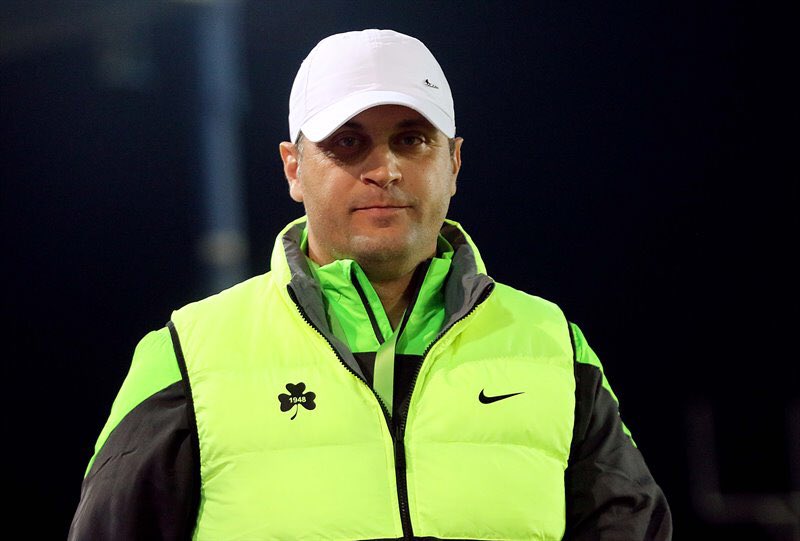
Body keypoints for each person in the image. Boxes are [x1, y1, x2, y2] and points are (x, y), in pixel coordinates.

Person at [69, 29, 672, 540]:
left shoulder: (554, 346)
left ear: (454, 162)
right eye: (348, 142)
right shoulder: (187, 353)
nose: (385, 170)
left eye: (412, 139)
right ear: (293, 168)